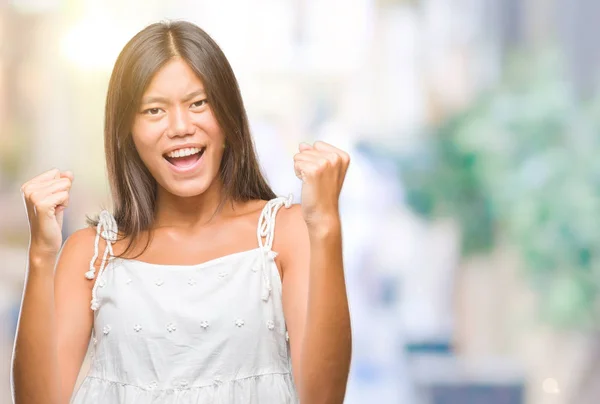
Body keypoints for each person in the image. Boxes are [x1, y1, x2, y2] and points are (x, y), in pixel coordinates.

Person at [11, 20, 351, 404]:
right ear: (128, 132)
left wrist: (326, 225)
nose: (180, 127)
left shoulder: (284, 235)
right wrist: (41, 255)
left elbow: (323, 398)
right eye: (154, 110)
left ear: (228, 116)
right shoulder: (91, 255)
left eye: (198, 103)